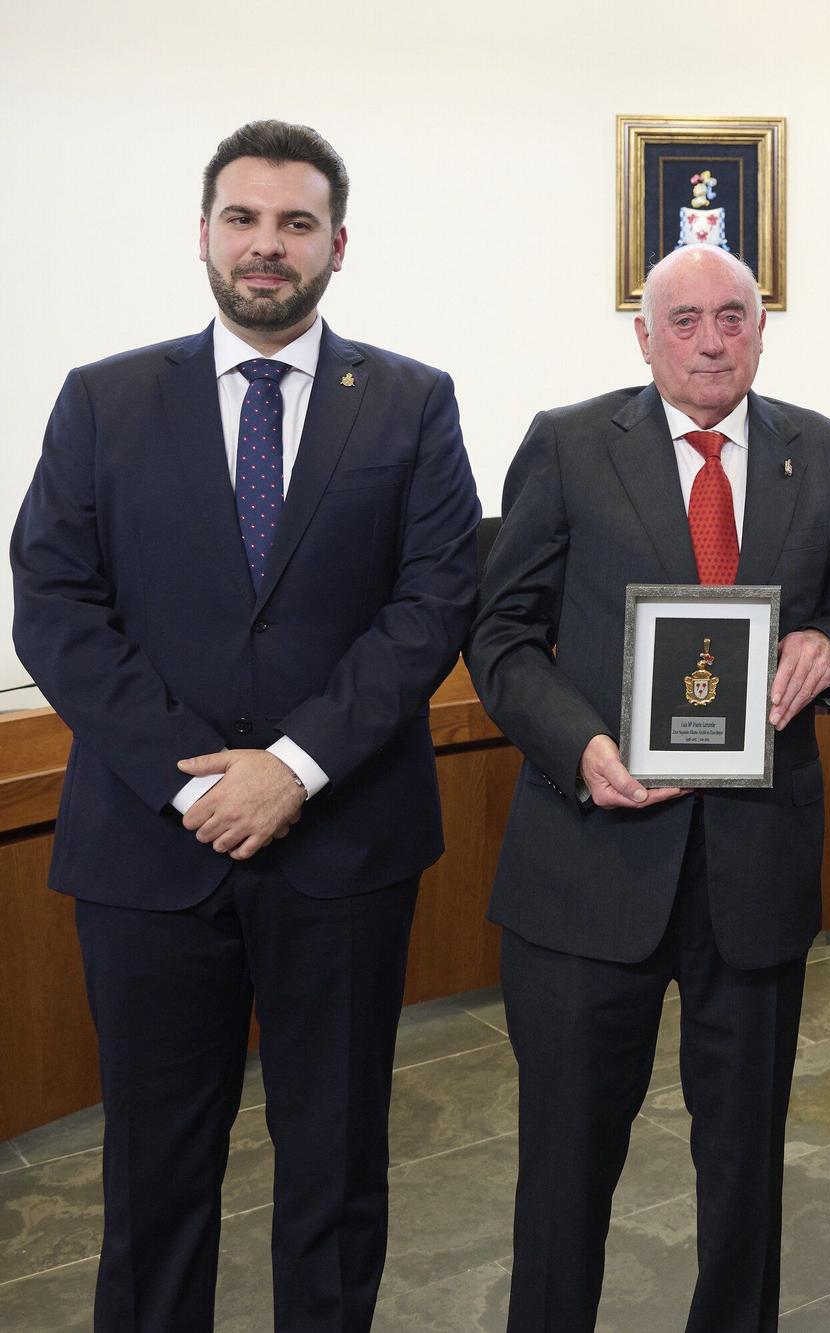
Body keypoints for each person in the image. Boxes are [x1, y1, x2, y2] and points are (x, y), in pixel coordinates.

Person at [9, 119, 481, 1329]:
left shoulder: (413, 403)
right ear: (204, 232)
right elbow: (55, 606)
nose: (267, 246)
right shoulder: (104, 400)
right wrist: (197, 782)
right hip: (148, 855)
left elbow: (433, 602)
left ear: (337, 244)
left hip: (345, 848)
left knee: (334, 1170)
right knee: (154, 1180)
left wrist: (293, 767)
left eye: (295, 223)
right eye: (244, 218)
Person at [467, 243, 830, 1332]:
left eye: (732, 316)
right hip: (586, 863)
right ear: (642, 336)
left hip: (754, 867)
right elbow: (499, 636)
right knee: (562, 1169)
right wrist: (579, 743)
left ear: (760, 327)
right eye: (683, 319)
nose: (709, 339)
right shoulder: (564, 445)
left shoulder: (828, 456)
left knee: (744, 1172)